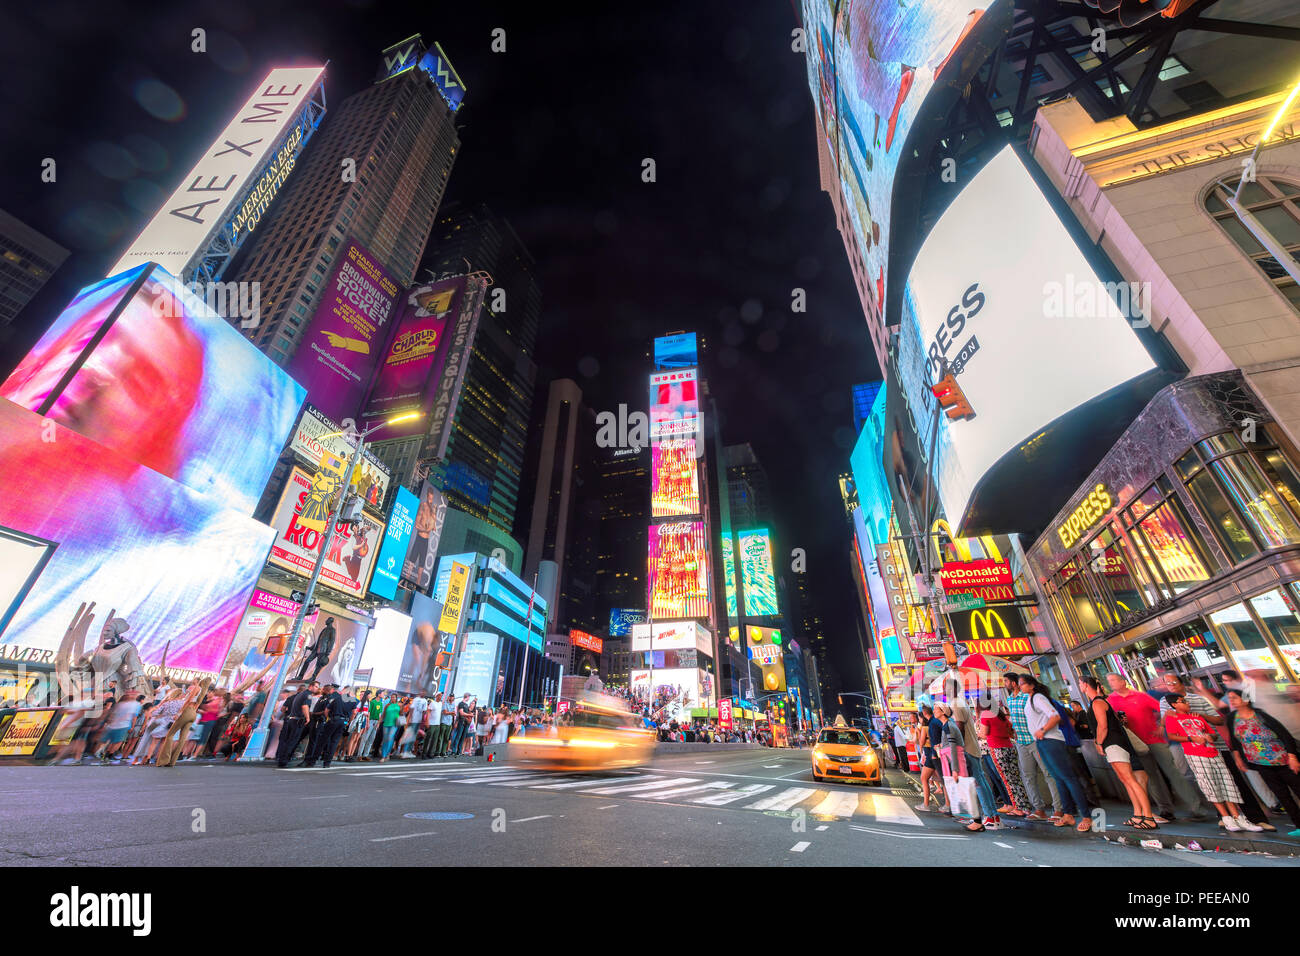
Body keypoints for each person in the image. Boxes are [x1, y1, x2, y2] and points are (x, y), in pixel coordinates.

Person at [1105, 672, 1212, 821]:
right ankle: (1165, 809)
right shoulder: (1110, 701)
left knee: (1173, 772)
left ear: (1123, 681)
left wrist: (1161, 725)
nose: (1111, 683)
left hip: (1155, 739)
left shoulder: (1140, 696)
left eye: (1114, 680)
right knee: (1151, 777)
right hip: (1136, 743)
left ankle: (1196, 807)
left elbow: (1165, 710)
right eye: (1109, 681)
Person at [1164, 693, 1261, 833]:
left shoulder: (1197, 717)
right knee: (1210, 784)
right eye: (1182, 701)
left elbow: (1213, 732)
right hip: (1196, 754)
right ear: (1174, 704)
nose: (1187, 703)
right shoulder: (1172, 718)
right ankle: (1226, 817)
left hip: (1214, 752)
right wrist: (1192, 739)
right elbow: (1172, 735)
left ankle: (1238, 817)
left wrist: (1210, 736)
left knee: (1227, 783)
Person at [1081, 676, 1156, 829]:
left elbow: (1103, 726)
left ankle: (1148, 817)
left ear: (1085, 685)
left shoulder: (1098, 702)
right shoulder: (1097, 701)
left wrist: (1099, 743)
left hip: (1113, 743)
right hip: (1113, 744)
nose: (1079, 686)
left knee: (1130, 780)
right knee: (1125, 780)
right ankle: (1138, 815)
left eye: (1079, 683)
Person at [1020, 674, 1093, 832]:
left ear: (1031, 685)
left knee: (1068, 778)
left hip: (1051, 740)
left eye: (1023, 684)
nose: (1020, 687)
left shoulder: (1038, 697)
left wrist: (1043, 730)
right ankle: (1068, 814)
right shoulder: (1031, 699)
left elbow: (1055, 716)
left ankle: (1086, 816)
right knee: (1059, 779)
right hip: (1043, 741)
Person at [1225, 689, 1300, 837]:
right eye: (1229, 698)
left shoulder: (1260, 715)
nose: (1231, 701)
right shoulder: (1232, 717)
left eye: (1234, 697)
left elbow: (1284, 734)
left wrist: (1292, 757)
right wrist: (1238, 757)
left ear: (1245, 700)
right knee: (1282, 795)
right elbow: (1234, 740)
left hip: (1282, 760)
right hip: (1260, 763)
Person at [1004, 673, 1062, 822]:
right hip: (1021, 742)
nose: (1004, 683)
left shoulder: (1028, 697)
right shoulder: (1009, 699)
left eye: (1006, 681)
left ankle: (1058, 808)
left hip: (1036, 740)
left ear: (1014, 683)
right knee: (1028, 777)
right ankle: (1039, 809)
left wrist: (1041, 731)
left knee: (1048, 773)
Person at [979, 701, 1027, 816]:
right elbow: (1010, 729)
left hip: (997, 748)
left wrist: (978, 733)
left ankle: (1016, 807)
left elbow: (984, 734)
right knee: (1016, 778)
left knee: (1006, 779)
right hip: (1009, 746)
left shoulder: (986, 714)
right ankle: (1024, 806)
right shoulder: (1001, 715)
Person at [303, 684, 346, 768]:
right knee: (327, 741)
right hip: (333, 720)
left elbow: (326, 710)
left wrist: (321, 715)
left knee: (318, 741)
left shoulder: (330, 698)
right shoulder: (325, 697)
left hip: (322, 720)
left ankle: (312, 760)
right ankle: (322, 761)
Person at [275, 681, 316, 769]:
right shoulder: (308, 695)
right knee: (292, 741)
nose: (317, 688)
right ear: (311, 686)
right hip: (297, 720)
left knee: (286, 740)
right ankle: (284, 761)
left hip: (290, 719)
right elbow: (305, 706)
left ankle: (281, 759)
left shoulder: (298, 695)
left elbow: (284, 709)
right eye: (316, 686)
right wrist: (308, 718)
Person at [379, 693, 403, 761]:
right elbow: (383, 715)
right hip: (386, 723)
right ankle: (384, 755)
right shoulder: (387, 705)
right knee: (385, 739)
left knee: (390, 738)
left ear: (396, 698)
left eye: (394, 697)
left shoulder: (399, 705)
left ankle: (387, 754)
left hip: (394, 724)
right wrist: (379, 723)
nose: (392, 698)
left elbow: (401, 714)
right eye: (391, 697)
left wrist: (399, 717)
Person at [448, 693, 474, 757]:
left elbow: (469, 712)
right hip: (461, 722)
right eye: (469, 697)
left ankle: (459, 751)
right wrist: (469, 715)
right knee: (458, 736)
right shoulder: (461, 704)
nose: (469, 699)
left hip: (466, 723)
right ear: (467, 697)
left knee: (462, 738)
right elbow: (461, 713)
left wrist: (470, 714)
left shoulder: (466, 705)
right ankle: (454, 750)